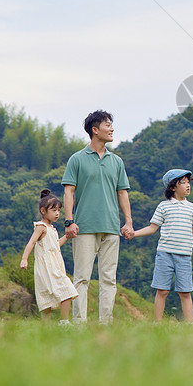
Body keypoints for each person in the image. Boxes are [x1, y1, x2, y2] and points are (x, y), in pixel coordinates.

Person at [62, 110, 134, 324]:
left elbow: (122, 192)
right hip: (83, 226)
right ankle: (79, 324)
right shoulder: (77, 159)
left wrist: (128, 221)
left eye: (112, 125)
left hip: (111, 227)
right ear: (95, 130)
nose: (112, 129)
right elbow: (69, 192)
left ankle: (106, 323)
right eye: (107, 125)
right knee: (81, 278)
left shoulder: (117, 161)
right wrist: (69, 221)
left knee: (109, 280)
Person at [126, 169, 193, 322]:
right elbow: (152, 228)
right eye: (183, 183)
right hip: (164, 254)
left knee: (185, 292)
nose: (187, 186)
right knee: (162, 291)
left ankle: (189, 325)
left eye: (188, 182)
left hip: (184, 256)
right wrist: (134, 233)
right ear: (172, 187)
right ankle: (157, 324)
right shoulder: (163, 206)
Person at [20, 189, 78, 324]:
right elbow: (32, 242)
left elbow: (56, 246)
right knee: (65, 291)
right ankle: (63, 322)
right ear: (43, 211)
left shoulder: (52, 229)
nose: (57, 213)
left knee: (53, 294)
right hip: (47, 266)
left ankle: (49, 326)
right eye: (54, 210)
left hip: (55, 264)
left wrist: (67, 236)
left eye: (59, 210)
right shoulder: (41, 227)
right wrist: (24, 259)